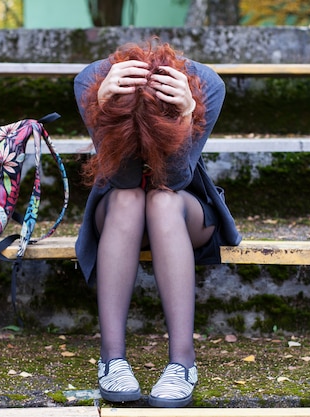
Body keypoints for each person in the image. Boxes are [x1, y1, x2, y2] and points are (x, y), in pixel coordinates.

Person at [73, 39, 241, 408]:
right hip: (120, 209)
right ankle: (111, 359)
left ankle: (182, 364)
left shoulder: (208, 85)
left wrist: (185, 114)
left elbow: (176, 179)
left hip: (182, 211)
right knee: (130, 198)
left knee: (161, 200)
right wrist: (105, 110)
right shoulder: (90, 81)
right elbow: (124, 179)